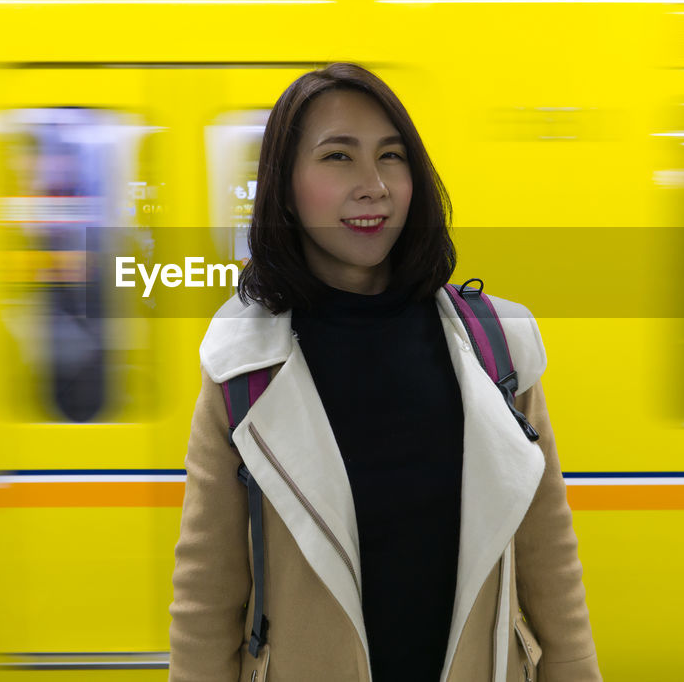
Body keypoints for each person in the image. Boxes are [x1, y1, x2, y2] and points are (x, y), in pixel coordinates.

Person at [169, 63, 600, 682]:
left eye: (391, 156)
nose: (373, 185)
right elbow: (207, 600)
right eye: (338, 157)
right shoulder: (244, 369)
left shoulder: (495, 349)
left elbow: (550, 564)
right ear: (284, 186)